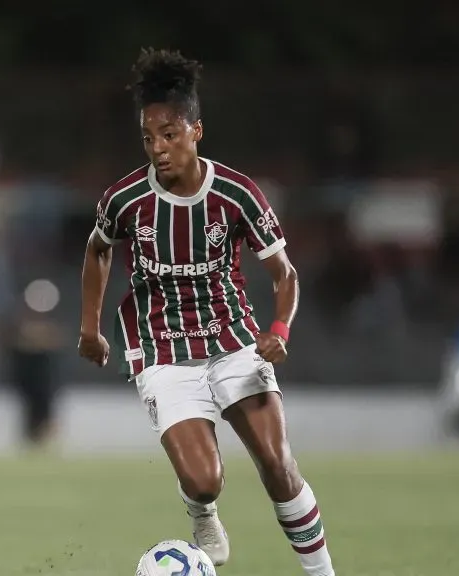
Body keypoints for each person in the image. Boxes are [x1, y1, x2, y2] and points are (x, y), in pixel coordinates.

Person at [77, 48, 336, 576]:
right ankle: (202, 510)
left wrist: (280, 329)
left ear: (197, 130)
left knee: (278, 466)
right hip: (162, 348)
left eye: (170, 134)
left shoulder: (237, 194)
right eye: (148, 138)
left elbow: (285, 274)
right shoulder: (124, 199)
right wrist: (89, 327)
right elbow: (97, 249)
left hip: (233, 339)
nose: (158, 148)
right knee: (203, 479)